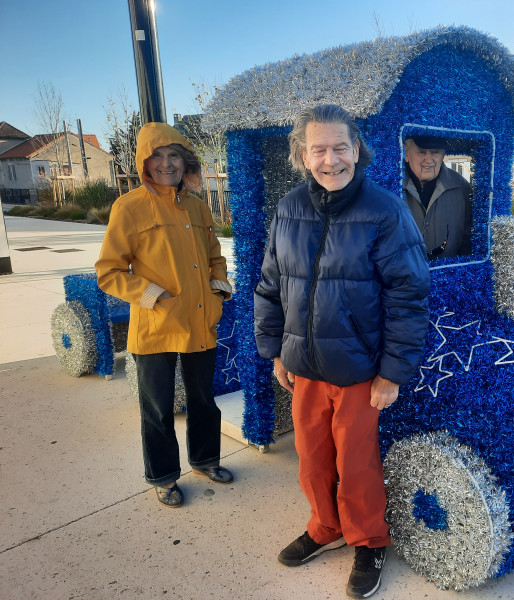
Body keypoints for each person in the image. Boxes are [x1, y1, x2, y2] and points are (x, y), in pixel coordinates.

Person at [253, 104, 429, 599]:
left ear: (357, 149)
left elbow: (409, 297)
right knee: (311, 460)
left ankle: (369, 540)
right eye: (318, 149)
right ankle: (324, 528)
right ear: (302, 156)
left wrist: (392, 372)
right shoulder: (287, 209)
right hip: (305, 367)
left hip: (359, 371)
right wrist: (275, 351)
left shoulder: (385, 211)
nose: (330, 159)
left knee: (357, 466)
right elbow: (270, 287)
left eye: (339, 147)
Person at [96, 122, 234, 508]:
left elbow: (214, 256)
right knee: (157, 409)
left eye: (174, 155)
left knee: (204, 400)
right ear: (144, 161)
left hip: (199, 322)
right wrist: (151, 295)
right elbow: (109, 272)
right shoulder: (129, 207)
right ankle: (163, 476)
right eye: (157, 156)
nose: (166, 164)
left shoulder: (198, 205)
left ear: (184, 161)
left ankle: (206, 460)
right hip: (155, 327)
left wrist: (218, 287)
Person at [403, 135, 473, 260]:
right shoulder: (390, 185)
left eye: (435, 152)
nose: (428, 160)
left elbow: (468, 240)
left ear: (443, 155)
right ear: (406, 153)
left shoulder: (461, 187)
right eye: (422, 152)